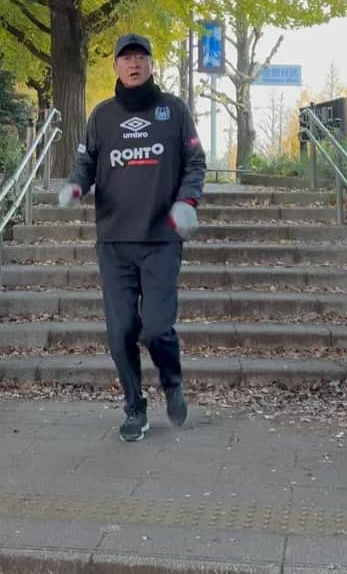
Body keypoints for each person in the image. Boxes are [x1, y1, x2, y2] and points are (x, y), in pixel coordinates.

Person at [58, 33, 206, 442]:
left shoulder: (173, 111)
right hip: (114, 242)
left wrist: (187, 202)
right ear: (116, 68)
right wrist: (75, 187)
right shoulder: (102, 116)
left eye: (141, 56)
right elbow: (85, 163)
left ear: (152, 64)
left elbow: (195, 161)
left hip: (161, 239)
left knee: (156, 328)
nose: (134, 63)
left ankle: (171, 382)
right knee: (120, 331)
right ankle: (134, 408)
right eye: (126, 58)